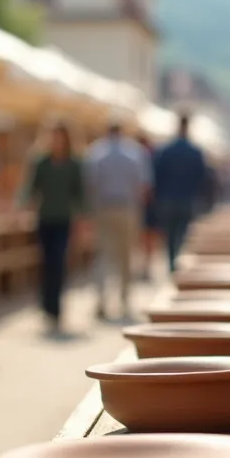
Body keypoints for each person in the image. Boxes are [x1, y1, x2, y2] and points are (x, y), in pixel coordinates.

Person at [82, 121, 151, 320]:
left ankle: (101, 300)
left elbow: (89, 185)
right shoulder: (134, 152)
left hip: (103, 209)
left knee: (103, 255)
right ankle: (124, 299)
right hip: (128, 208)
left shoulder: (96, 152)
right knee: (126, 256)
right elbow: (144, 186)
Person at [19, 122, 84, 332]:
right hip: (45, 218)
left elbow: (80, 193)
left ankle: (56, 308)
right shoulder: (42, 162)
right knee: (46, 263)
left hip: (64, 219)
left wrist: (84, 219)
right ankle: (46, 306)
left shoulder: (73, 164)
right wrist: (21, 207)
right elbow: (30, 188)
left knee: (58, 262)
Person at [152, 115, 209, 272]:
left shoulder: (165, 150)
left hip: (167, 198)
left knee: (169, 234)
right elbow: (202, 177)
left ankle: (171, 262)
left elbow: (156, 175)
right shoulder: (195, 152)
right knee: (182, 233)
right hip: (187, 198)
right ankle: (177, 259)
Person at [135, 134, 161, 280]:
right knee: (148, 235)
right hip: (148, 203)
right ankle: (145, 264)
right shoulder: (153, 155)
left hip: (142, 204)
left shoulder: (140, 155)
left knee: (145, 235)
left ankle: (145, 264)